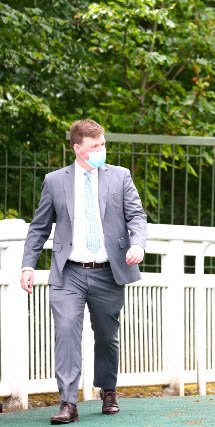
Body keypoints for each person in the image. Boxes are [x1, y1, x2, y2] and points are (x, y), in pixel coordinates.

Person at [20, 119, 147, 424]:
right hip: (69, 273)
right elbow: (39, 227)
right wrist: (27, 264)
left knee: (106, 336)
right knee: (65, 332)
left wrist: (138, 244)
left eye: (103, 144)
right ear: (77, 148)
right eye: (94, 146)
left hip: (108, 272)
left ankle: (108, 389)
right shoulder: (55, 181)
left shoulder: (120, 176)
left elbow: (137, 216)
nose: (101, 150)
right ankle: (68, 402)